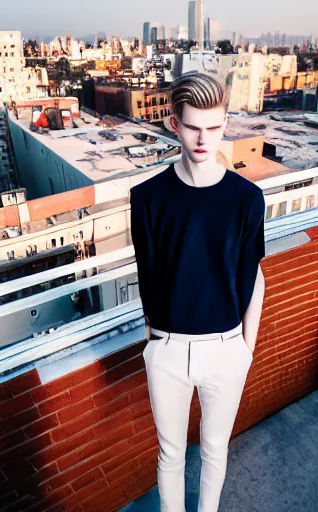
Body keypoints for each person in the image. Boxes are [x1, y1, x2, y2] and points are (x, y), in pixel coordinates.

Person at [130, 71, 266, 512]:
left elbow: (253, 273)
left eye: (213, 126)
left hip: (227, 348)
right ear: (175, 123)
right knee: (170, 455)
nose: (203, 138)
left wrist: (247, 346)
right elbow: (147, 271)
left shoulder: (246, 198)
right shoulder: (147, 198)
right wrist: (153, 341)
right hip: (168, 349)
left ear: (226, 122)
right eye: (192, 126)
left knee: (214, 450)